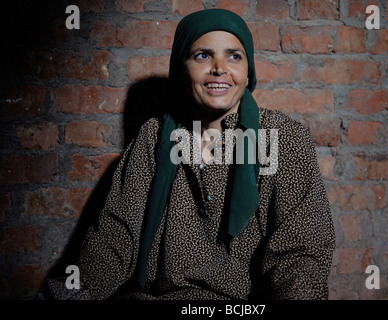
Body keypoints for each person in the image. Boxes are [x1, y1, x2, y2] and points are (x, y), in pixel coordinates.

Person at [39, 8, 335, 300]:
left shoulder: (283, 138)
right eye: (203, 55)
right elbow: (114, 238)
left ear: (248, 72)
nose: (219, 68)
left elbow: (301, 252)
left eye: (234, 56)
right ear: (182, 69)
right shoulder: (153, 138)